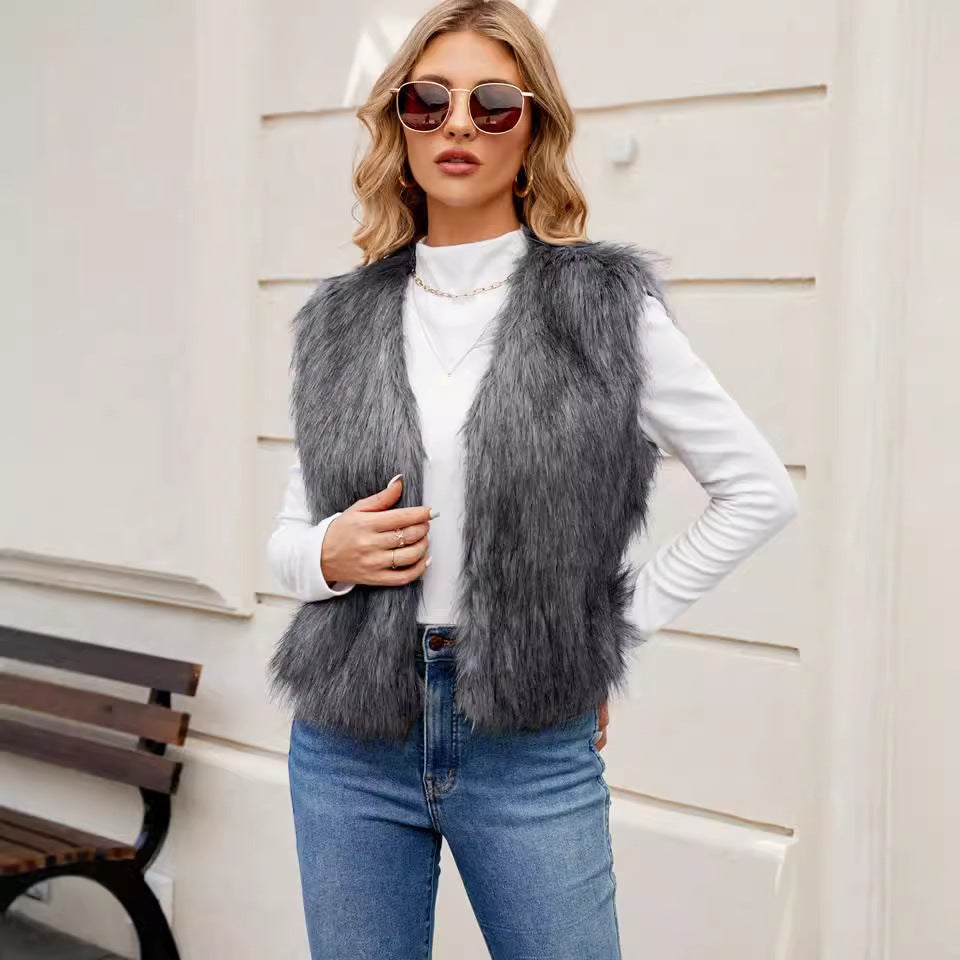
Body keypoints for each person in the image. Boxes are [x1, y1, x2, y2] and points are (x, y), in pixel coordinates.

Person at [266, 1, 799, 957]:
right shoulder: (337, 319)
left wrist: (603, 634)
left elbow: (758, 488)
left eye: (494, 102)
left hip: (527, 746)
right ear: (399, 126)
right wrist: (327, 553)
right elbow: (288, 539)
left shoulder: (602, 308)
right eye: (428, 102)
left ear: (535, 127)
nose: (459, 123)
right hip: (348, 741)